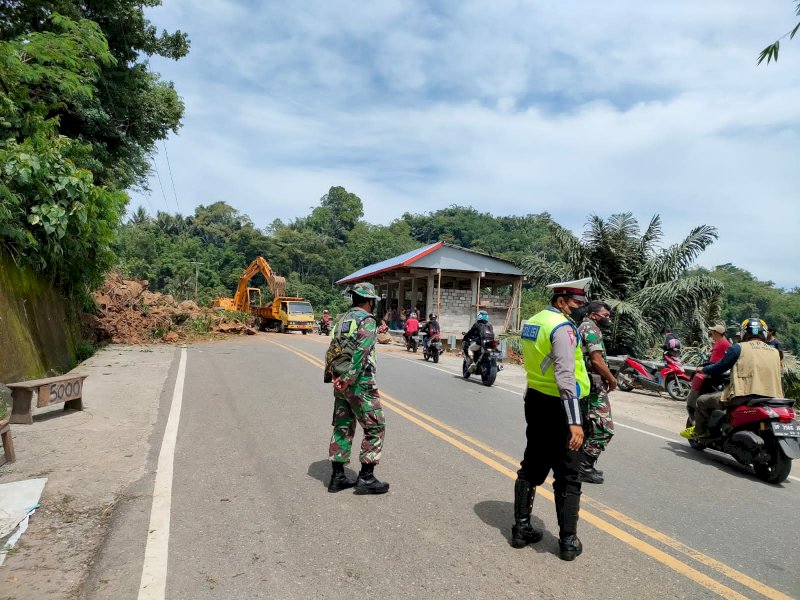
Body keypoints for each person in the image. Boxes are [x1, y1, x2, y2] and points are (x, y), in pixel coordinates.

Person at [513, 277, 591, 561]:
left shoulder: (533, 322)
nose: (580, 308)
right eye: (577, 303)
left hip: (535, 400)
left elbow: (534, 363)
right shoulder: (562, 328)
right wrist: (574, 421)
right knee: (569, 473)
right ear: (561, 302)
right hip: (563, 407)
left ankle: (520, 529)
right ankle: (568, 542)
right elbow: (565, 376)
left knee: (531, 464)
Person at [327, 282, 389, 494]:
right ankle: (366, 478)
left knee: (342, 425)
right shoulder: (367, 320)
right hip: (358, 382)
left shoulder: (342, 320)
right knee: (375, 427)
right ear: (370, 301)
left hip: (340, 382)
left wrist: (336, 377)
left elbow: (333, 351)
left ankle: (337, 477)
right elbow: (361, 353)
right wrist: (348, 378)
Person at [683, 318, 783, 439]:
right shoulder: (775, 352)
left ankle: (701, 432)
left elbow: (720, 367)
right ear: (764, 332)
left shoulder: (738, 348)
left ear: (744, 332)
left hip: (744, 395)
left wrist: (703, 369)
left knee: (702, 401)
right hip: (772, 397)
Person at [577, 301, 617, 485]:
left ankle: (579, 465)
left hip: (585, 384)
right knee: (603, 428)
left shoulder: (582, 326)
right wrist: (611, 379)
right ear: (593, 314)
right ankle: (584, 467)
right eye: (605, 315)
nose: (607, 319)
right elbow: (597, 360)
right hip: (593, 386)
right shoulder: (591, 329)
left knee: (587, 426)